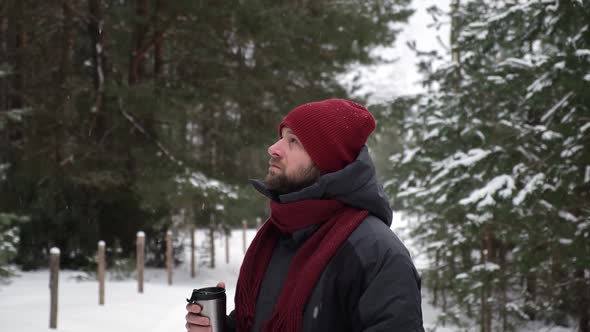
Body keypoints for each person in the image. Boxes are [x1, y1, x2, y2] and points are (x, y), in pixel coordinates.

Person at [185, 98, 424, 332]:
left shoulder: (376, 253)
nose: (274, 148)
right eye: (281, 137)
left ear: (326, 161)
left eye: (293, 141)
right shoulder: (279, 234)